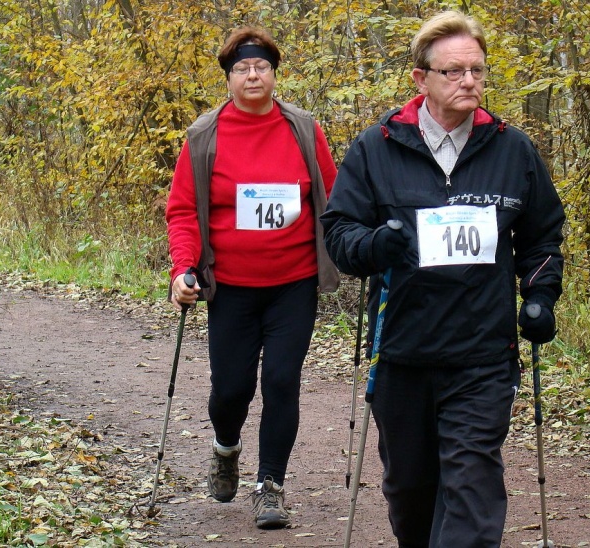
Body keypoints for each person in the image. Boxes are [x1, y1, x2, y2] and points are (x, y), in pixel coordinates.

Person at [321, 10, 565, 548]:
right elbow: (339, 235)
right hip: (403, 354)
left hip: (482, 355)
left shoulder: (512, 149)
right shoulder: (376, 147)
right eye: (454, 72)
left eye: (477, 70)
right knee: (412, 495)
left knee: (473, 495)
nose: (469, 82)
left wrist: (541, 297)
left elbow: (543, 236)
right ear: (421, 78)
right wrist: (374, 245)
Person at [165, 26, 339, 529]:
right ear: (228, 78)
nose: (253, 74)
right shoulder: (204, 135)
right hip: (231, 287)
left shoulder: (303, 128)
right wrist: (183, 269)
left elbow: (334, 198)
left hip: (293, 282)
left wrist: (358, 246)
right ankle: (225, 447)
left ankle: (270, 486)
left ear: (274, 73)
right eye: (242, 68)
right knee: (231, 390)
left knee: (282, 381)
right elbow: (182, 210)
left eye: (261, 66)